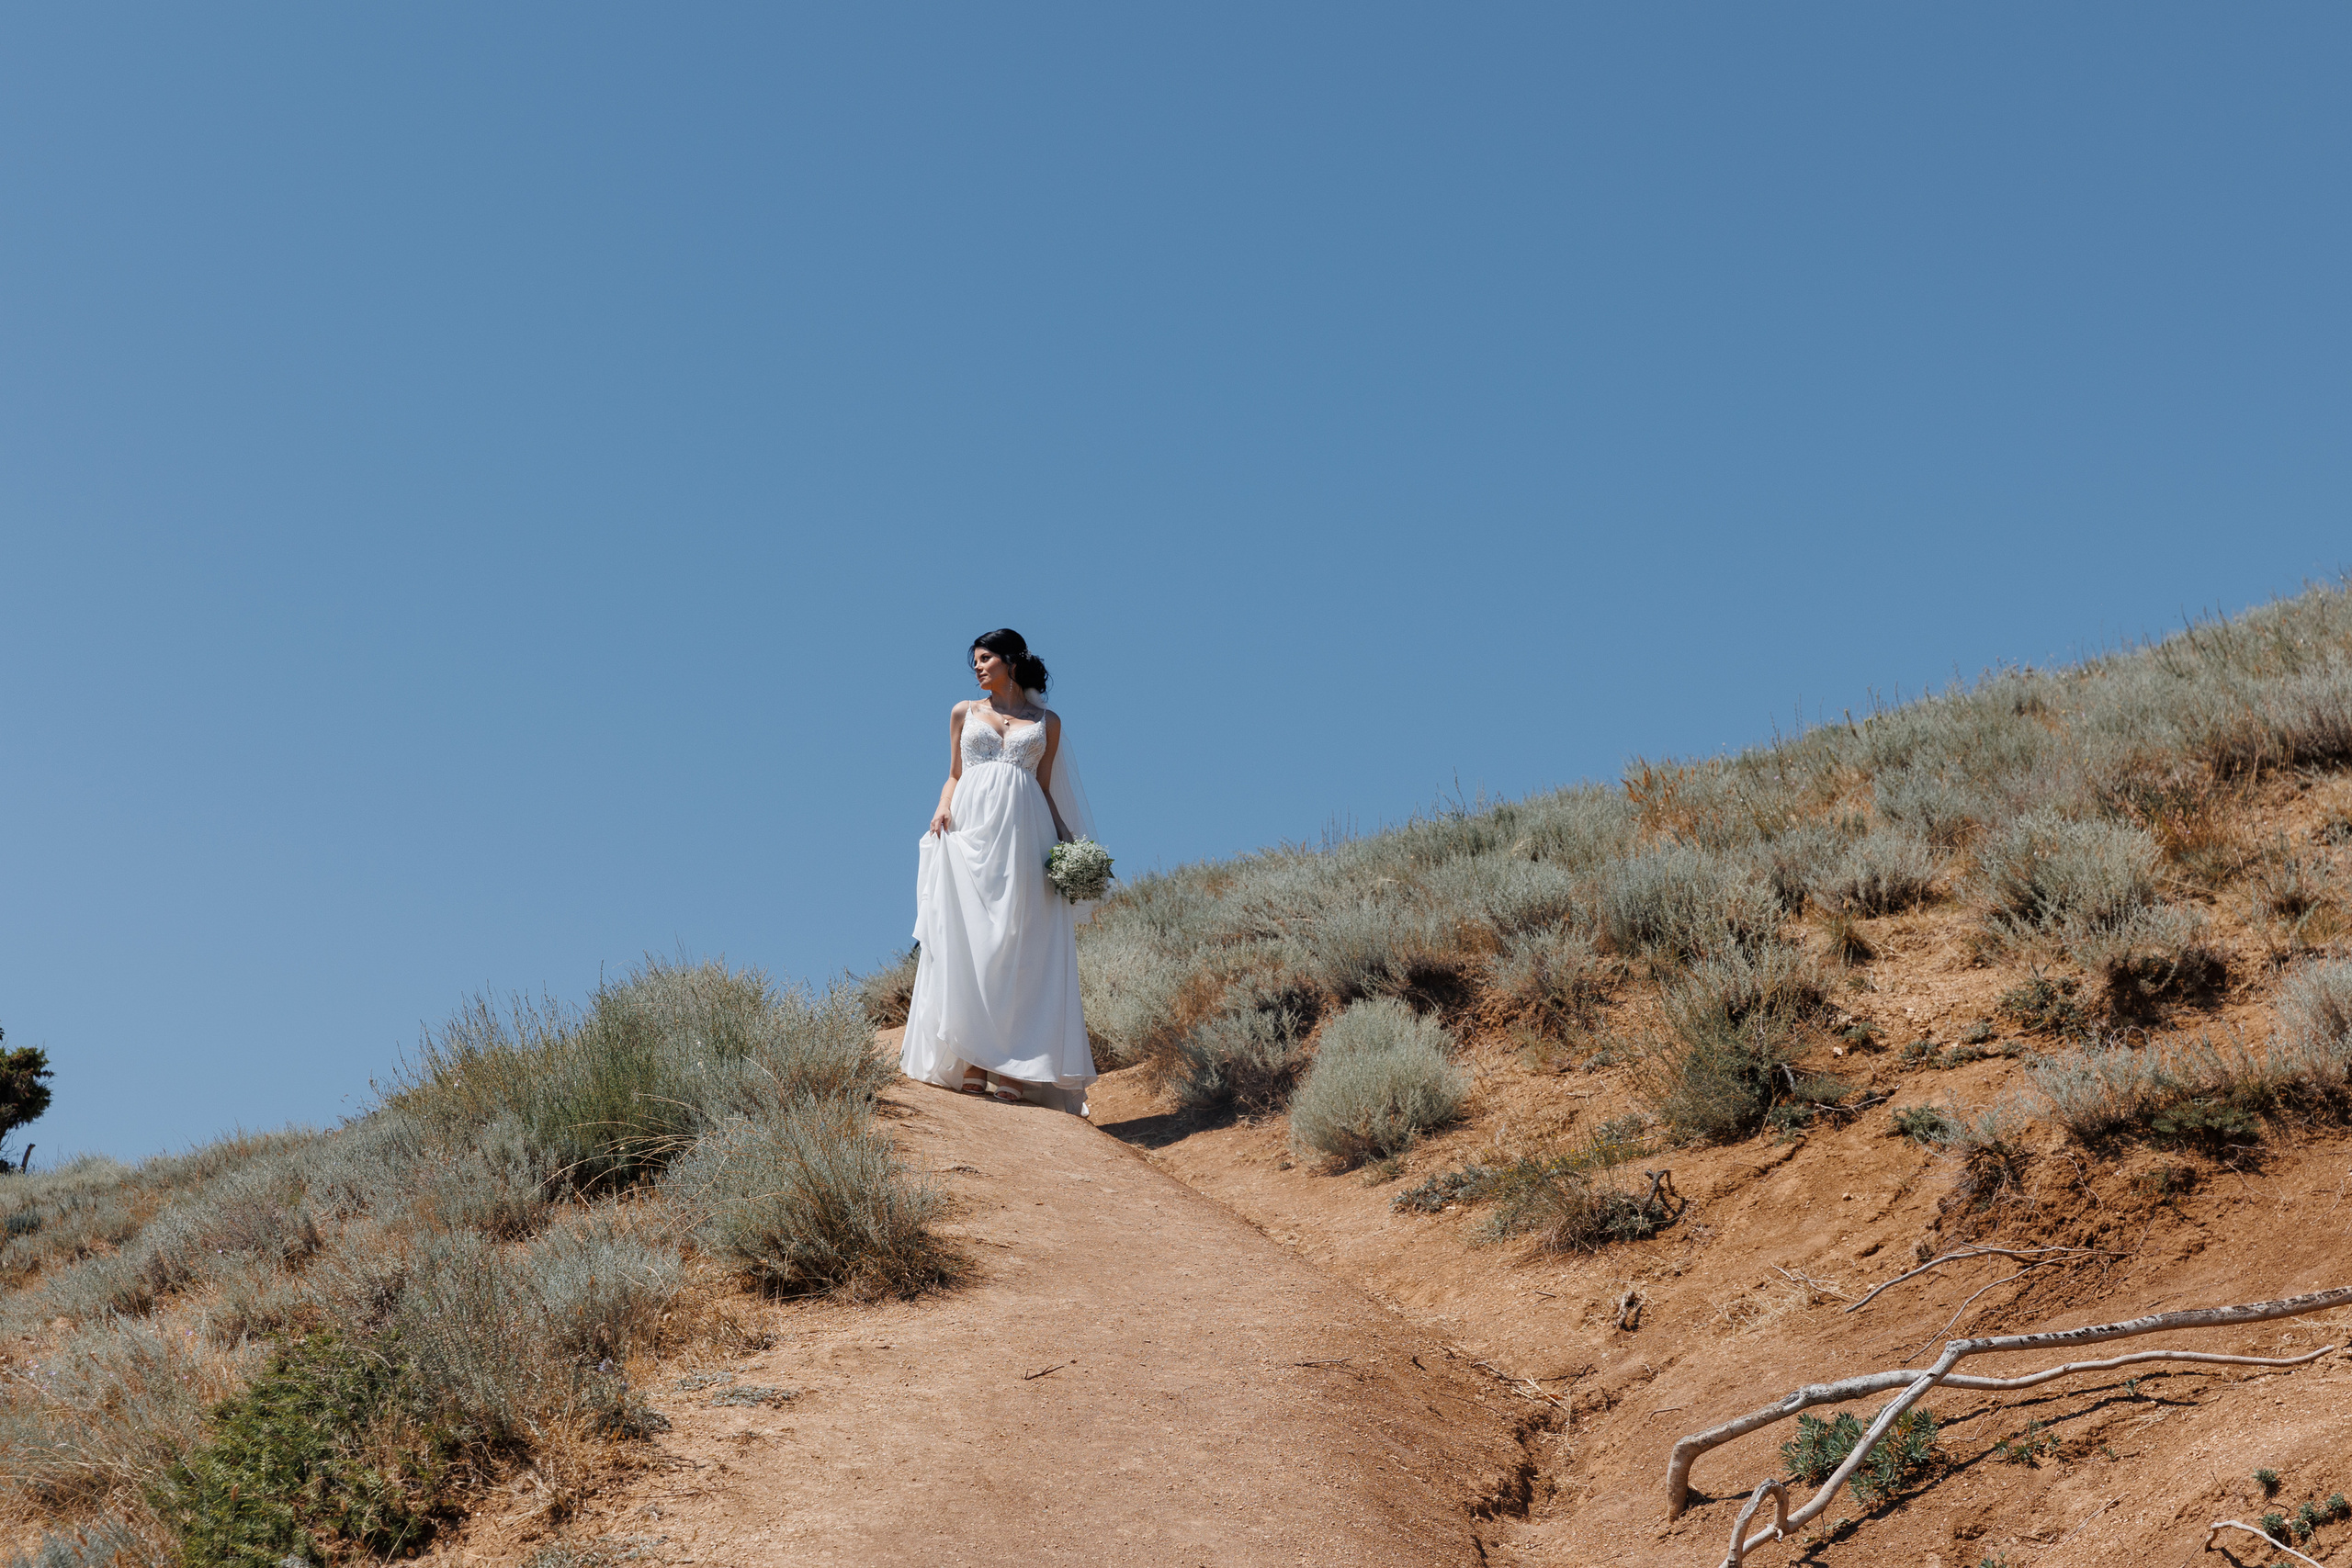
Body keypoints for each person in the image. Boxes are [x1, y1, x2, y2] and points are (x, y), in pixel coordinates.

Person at [899, 629, 1098, 1114]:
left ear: (1011, 661)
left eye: (986, 658)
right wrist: (942, 808)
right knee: (971, 940)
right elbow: (954, 773)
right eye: (975, 661)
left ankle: (1012, 1067)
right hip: (970, 832)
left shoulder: (1045, 722)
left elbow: (1046, 788)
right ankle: (972, 1060)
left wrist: (1069, 844)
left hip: (1027, 837)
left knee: (1018, 943)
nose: (978, 667)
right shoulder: (964, 712)